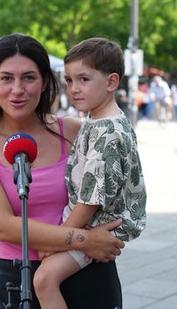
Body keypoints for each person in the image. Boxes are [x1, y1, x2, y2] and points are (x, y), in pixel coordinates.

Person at [0, 33, 126, 309]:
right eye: (7, 78)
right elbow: (4, 226)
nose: (18, 89)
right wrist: (84, 239)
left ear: (45, 81)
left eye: (29, 78)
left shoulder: (73, 131)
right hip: (19, 277)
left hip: (86, 270)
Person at [33, 37, 147, 309]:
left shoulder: (106, 132)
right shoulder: (101, 118)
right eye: (69, 80)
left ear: (111, 82)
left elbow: (91, 201)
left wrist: (59, 239)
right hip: (91, 221)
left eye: (84, 79)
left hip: (99, 225)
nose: (73, 89)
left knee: (44, 279)